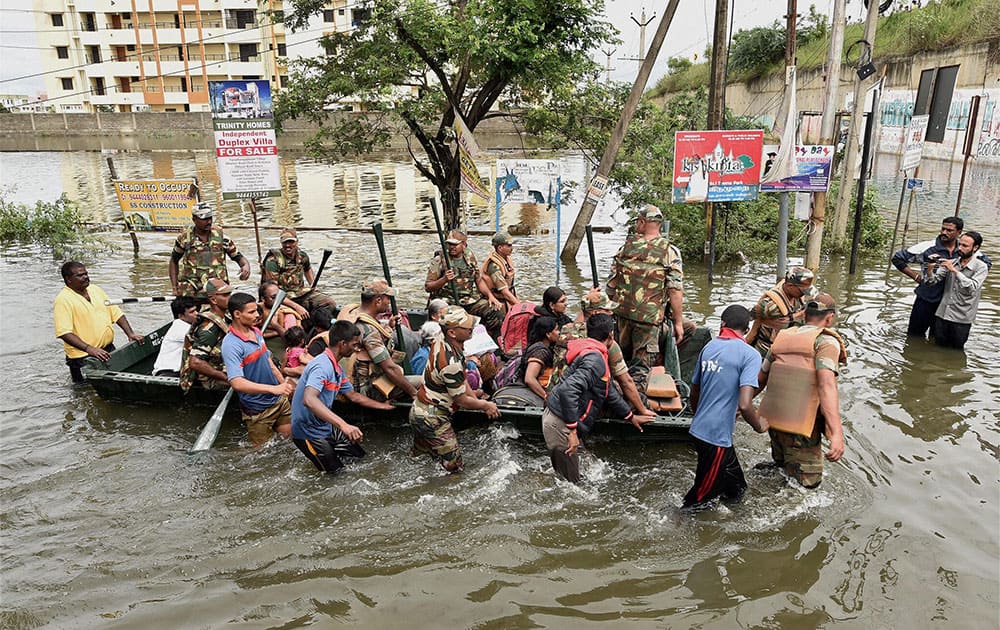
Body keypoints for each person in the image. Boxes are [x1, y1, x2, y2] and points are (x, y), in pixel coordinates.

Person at [543, 313, 655, 483]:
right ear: (611, 335)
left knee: (586, 474)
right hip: (560, 423)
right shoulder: (595, 359)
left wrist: (630, 416)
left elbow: (607, 390)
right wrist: (572, 431)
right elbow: (567, 391)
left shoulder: (595, 353)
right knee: (571, 486)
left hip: (560, 418)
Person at [682, 305, 768, 510]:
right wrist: (759, 426)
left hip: (702, 429)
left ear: (722, 324)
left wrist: (700, 417)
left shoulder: (709, 347)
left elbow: (695, 391)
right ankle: (675, 524)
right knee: (699, 501)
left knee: (737, 488)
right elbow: (746, 405)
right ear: (746, 330)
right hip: (715, 436)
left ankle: (735, 517)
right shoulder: (750, 355)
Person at [757, 293, 846, 489]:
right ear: (829, 317)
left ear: (804, 313)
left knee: (782, 471)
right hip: (802, 427)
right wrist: (837, 433)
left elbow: (761, 378)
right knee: (808, 487)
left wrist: (740, 405)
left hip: (775, 422)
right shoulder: (825, 342)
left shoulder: (783, 337)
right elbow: (826, 385)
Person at [290, 320, 394, 474]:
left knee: (360, 458)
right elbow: (309, 400)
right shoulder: (322, 366)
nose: (357, 349)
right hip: (308, 432)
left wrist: (384, 406)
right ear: (342, 344)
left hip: (324, 425)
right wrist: (343, 425)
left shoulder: (336, 368)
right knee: (337, 475)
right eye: (354, 344)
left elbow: (353, 396)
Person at [409, 305, 501, 473]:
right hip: (433, 418)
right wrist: (486, 405)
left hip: (421, 411)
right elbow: (461, 400)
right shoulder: (450, 362)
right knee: (455, 469)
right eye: (466, 327)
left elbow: (463, 381)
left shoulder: (441, 340)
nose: (472, 328)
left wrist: (477, 399)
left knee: (422, 462)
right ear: (452, 332)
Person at [607, 204, 684, 390]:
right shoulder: (669, 252)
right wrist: (679, 322)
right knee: (641, 369)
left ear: (642, 222)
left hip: (622, 317)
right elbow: (674, 290)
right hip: (648, 321)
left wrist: (611, 308)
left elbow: (611, 285)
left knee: (619, 362)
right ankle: (637, 406)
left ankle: (616, 401)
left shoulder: (625, 248)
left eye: (637, 222)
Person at [548, 289, 654, 418]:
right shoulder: (606, 339)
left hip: (554, 398)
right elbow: (626, 382)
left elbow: (580, 322)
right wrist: (642, 410)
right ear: (596, 313)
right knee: (639, 396)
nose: (611, 313)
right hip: (579, 405)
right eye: (607, 310)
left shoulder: (565, 330)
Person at [221, 292, 296, 447]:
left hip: (279, 401)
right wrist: (273, 389)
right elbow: (237, 383)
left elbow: (268, 362)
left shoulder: (256, 332)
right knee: (261, 453)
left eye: (256, 310)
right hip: (258, 409)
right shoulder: (231, 345)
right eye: (251, 312)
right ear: (237, 314)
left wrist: (283, 387)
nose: (257, 315)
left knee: (287, 442)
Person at [53, 261, 144, 383]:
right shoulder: (63, 300)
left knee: (113, 385)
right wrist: (89, 349)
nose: (85, 277)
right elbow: (64, 333)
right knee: (85, 393)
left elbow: (116, 313)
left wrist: (130, 333)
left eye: (86, 273)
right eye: (80, 275)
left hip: (107, 350)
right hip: (82, 357)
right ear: (68, 279)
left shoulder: (95, 290)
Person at [424, 229, 504, 340]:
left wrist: (491, 296)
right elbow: (428, 286)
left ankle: (488, 341)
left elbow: (478, 280)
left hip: (468, 300)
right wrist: (444, 279)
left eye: (455, 244)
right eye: (449, 244)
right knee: (449, 319)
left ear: (464, 245)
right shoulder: (440, 260)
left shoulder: (469, 257)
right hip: (447, 301)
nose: (452, 247)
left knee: (495, 312)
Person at [891, 216, 962, 338]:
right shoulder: (927, 247)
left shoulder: (964, 249)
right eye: (943, 229)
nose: (944, 232)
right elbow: (897, 259)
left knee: (938, 338)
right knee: (914, 336)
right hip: (926, 299)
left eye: (949, 230)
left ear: (959, 232)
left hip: (949, 303)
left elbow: (984, 263)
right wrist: (917, 277)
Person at [349, 279, 418, 401]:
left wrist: (389, 328)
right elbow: (389, 368)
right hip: (371, 388)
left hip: (363, 380)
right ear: (378, 301)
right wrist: (413, 393)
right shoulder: (368, 329)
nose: (389, 302)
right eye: (387, 298)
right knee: (425, 382)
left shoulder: (354, 314)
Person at [169, 202, 251, 300]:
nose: (208, 222)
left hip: (217, 290)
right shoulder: (184, 239)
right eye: (204, 219)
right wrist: (175, 288)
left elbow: (238, 257)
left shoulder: (222, 238)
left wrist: (245, 267)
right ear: (194, 219)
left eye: (210, 218)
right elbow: (174, 261)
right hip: (191, 290)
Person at [924, 231, 989, 350]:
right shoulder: (952, 262)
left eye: (965, 246)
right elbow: (931, 282)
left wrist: (954, 270)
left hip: (962, 318)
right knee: (937, 349)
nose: (960, 248)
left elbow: (972, 287)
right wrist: (930, 269)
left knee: (956, 351)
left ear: (975, 248)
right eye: (960, 244)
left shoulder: (981, 267)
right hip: (942, 314)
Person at [262, 227, 337, 320]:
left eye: (291, 242)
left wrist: (312, 285)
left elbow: (307, 269)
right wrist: (297, 307)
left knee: (329, 303)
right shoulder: (273, 261)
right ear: (281, 243)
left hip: (300, 293)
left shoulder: (302, 256)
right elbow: (273, 294)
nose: (288, 245)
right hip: (281, 298)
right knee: (291, 316)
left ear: (296, 242)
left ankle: (314, 323)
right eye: (285, 242)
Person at [747, 266, 817, 358]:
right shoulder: (771, 306)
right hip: (765, 352)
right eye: (802, 291)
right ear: (790, 286)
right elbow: (747, 317)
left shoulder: (798, 298)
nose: (804, 294)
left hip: (787, 348)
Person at [179, 279, 232, 393]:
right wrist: (226, 378)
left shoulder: (225, 317)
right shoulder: (209, 327)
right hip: (212, 380)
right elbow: (195, 362)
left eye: (230, 294)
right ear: (213, 299)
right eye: (225, 295)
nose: (230, 298)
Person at [152, 296, 198, 377]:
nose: (196, 314)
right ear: (181, 316)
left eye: (196, 310)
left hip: (176, 371)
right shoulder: (180, 328)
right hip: (168, 373)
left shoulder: (186, 325)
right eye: (192, 312)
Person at [518, 315, 559, 401]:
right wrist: (547, 397)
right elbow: (529, 379)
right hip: (534, 392)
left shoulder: (540, 346)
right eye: (556, 330)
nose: (559, 333)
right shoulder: (540, 352)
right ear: (548, 334)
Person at [481, 232, 519, 311]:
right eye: (509, 246)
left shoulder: (505, 258)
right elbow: (505, 293)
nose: (512, 248)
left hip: (508, 299)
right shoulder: (494, 266)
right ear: (500, 248)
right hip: (499, 302)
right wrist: (520, 306)